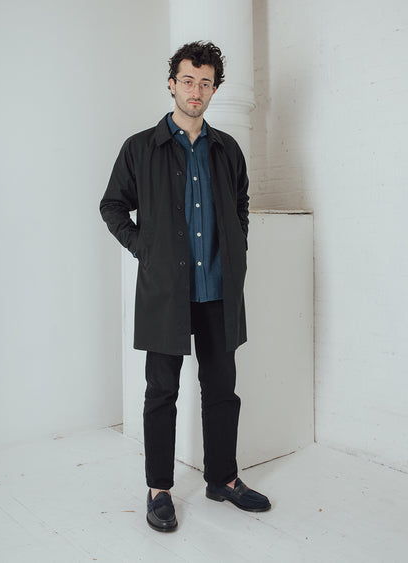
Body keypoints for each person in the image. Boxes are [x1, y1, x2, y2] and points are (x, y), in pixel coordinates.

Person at [100, 41, 270, 533]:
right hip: (166, 291)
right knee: (161, 392)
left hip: (218, 288)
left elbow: (240, 204)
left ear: (215, 88)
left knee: (222, 390)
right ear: (172, 83)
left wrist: (236, 245)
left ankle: (223, 479)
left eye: (206, 82)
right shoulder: (140, 148)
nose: (196, 90)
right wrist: (145, 249)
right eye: (188, 80)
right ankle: (159, 489)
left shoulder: (227, 150)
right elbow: (112, 206)